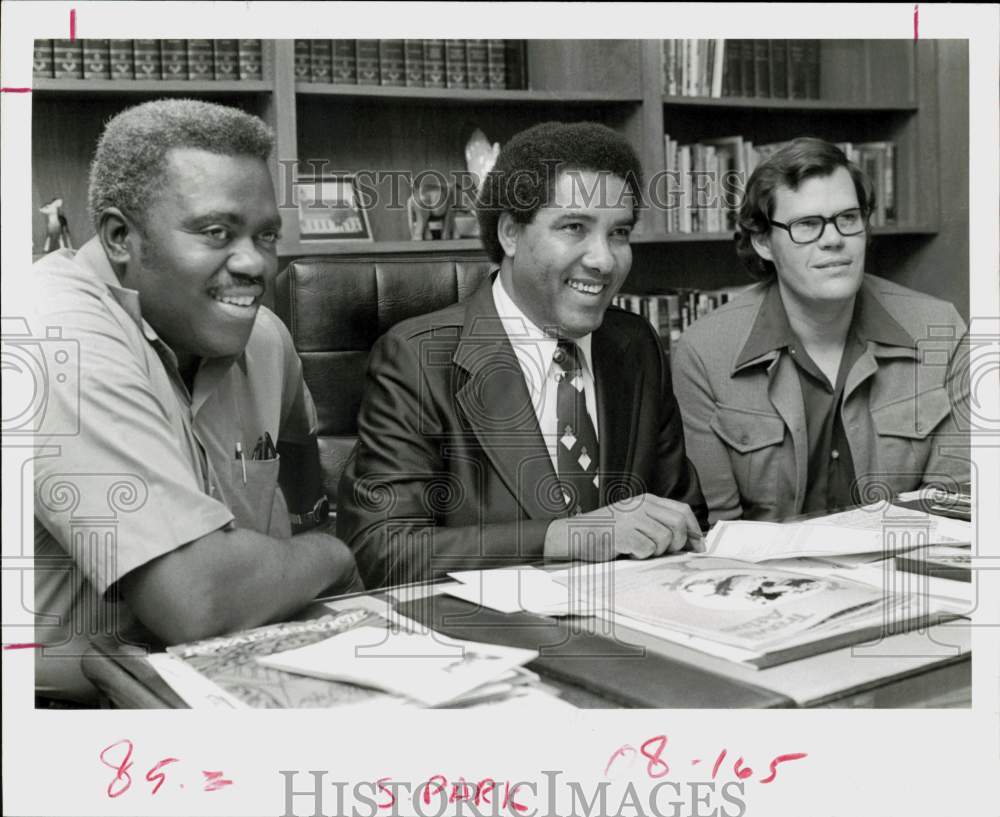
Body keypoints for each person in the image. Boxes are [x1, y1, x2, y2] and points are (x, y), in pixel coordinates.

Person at [32, 99, 360, 704]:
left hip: (249, 675)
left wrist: (311, 542)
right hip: (67, 717)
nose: (254, 264)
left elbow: (308, 495)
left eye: (266, 236)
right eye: (216, 232)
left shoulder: (267, 339)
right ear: (120, 236)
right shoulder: (49, 330)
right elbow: (194, 601)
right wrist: (331, 554)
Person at [337, 121, 708, 589]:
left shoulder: (636, 346)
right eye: (574, 228)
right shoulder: (417, 358)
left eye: (619, 234)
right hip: (484, 644)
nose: (605, 260)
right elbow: (382, 551)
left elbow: (683, 514)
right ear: (510, 233)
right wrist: (568, 536)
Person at [671, 137, 969, 524]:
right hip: (766, 579)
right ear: (763, 241)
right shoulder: (703, 352)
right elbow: (716, 529)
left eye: (848, 218)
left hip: (902, 567)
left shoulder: (941, 330)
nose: (834, 239)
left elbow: (956, 509)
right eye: (806, 225)